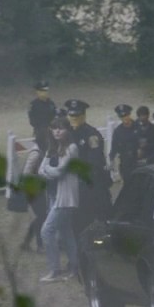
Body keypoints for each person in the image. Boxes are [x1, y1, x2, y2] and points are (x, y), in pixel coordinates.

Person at [37, 118, 85, 282]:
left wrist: (47, 169)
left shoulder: (72, 148)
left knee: (47, 231)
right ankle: (75, 265)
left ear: (67, 131)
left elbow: (59, 172)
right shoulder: (52, 148)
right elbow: (39, 170)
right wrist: (47, 170)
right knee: (66, 232)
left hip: (65, 198)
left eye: (61, 128)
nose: (57, 131)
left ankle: (54, 270)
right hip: (53, 195)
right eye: (54, 128)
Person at [64, 98, 111, 221]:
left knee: (96, 217)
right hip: (70, 183)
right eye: (71, 115)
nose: (74, 118)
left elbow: (94, 162)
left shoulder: (91, 135)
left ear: (84, 116)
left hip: (90, 183)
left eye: (77, 116)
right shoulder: (65, 133)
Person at [109, 104, 141, 185]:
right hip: (125, 164)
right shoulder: (118, 131)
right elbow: (114, 148)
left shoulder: (138, 127)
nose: (125, 118)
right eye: (122, 116)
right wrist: (111, 160)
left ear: (129, 114)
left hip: (139, 162)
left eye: (126, 115)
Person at [26, 80, 58, 148]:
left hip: (51, 130)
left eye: (46, 91)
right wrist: (42, 128)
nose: (44, 93)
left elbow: (55, 116)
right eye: (42, 91)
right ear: (37, 92)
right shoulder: (33, 105)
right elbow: (32, 120)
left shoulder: (51, 103)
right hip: (39, 131)